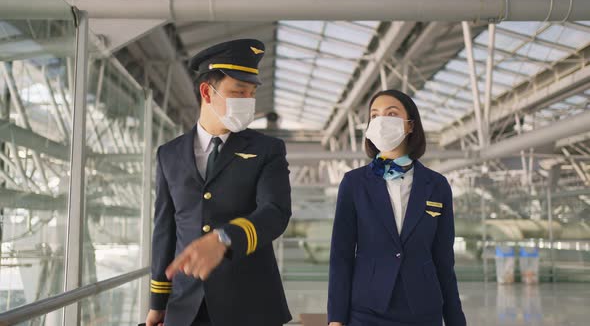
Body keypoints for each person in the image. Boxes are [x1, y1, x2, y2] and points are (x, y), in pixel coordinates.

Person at [145, 39, 292, 326]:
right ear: (206, 92)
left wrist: (224, 239)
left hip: (251, 305)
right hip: (185, 308)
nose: (247, 101)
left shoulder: (268, 149)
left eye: (250, 93)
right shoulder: (169, 154)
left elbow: (275, 212)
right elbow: (165, 230)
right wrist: (158, 303)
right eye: (238, 92)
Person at [327, 90, 466, 326]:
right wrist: (336, 319)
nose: (381, 121)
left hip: (424, 308)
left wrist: (455, 320)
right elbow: (341, 255)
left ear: (410, 125)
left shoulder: (437, 185)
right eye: (375, 115)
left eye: (391, 114)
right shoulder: (354, 183)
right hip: (367, 309)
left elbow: (444, 259)